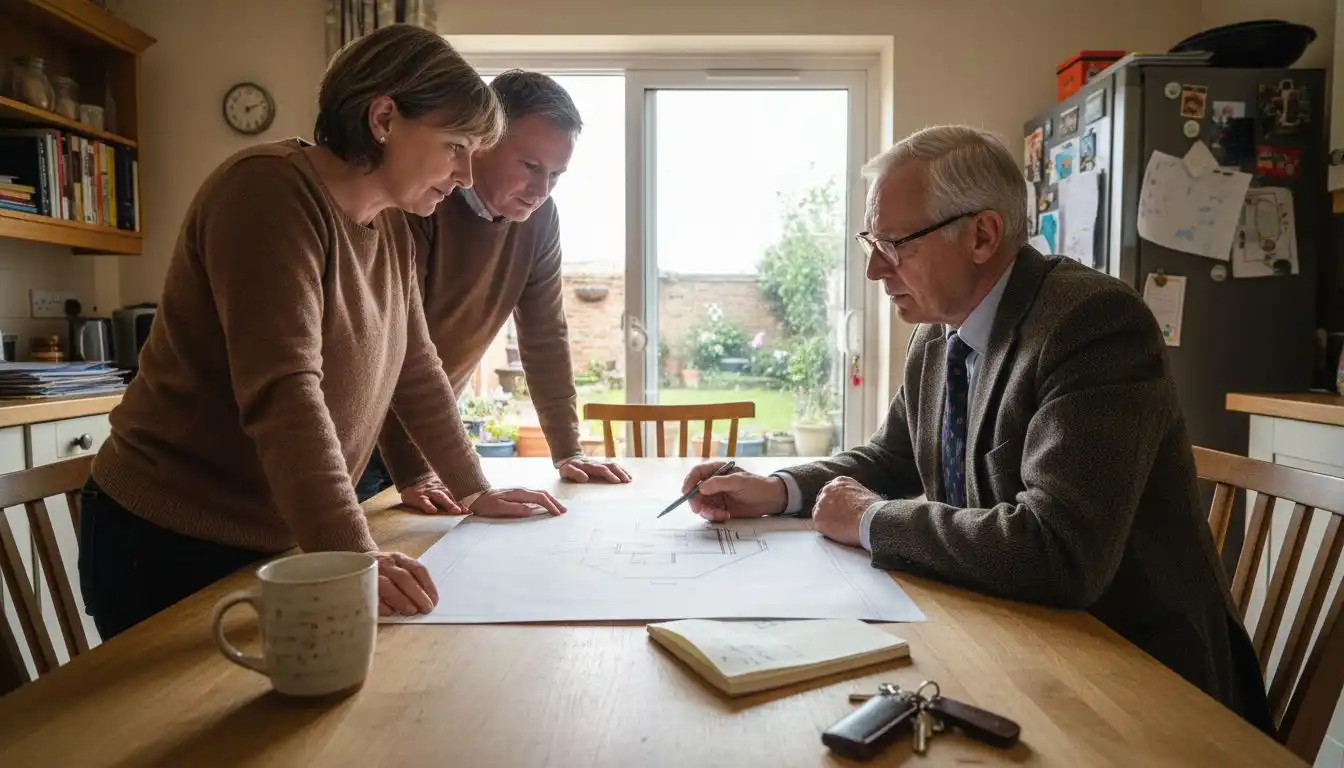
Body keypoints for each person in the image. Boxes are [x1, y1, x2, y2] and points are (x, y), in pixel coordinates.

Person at [677, 125, 1276, 734]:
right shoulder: (936, 333)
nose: (876, 269)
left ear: (983, 236)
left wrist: (869, 519)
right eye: (871, 242)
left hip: (1134, 678)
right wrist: (779, 489)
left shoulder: (1095, 324)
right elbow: (892, 459)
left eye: (896, 243)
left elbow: (1059, 552)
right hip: (1015, 634)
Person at [78, 25, 566, 641]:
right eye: (454, 146)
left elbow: (417, 369)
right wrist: (353, 555)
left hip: (274, 534)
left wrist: (475, 490)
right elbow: (286, 393)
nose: (467, 174)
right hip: (171, 538)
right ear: (384, 118)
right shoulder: (267, 190)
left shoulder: (387, 222)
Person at [356, 70, 631, 513]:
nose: (541, 191)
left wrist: (568, 450)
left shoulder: (540, 220)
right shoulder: (417, 203)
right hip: (363, 436)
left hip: (431, 437)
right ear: (482, 141)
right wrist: (413, 472)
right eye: (530, 166)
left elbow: (544, 334)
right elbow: (398, 351)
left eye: (556, 175)